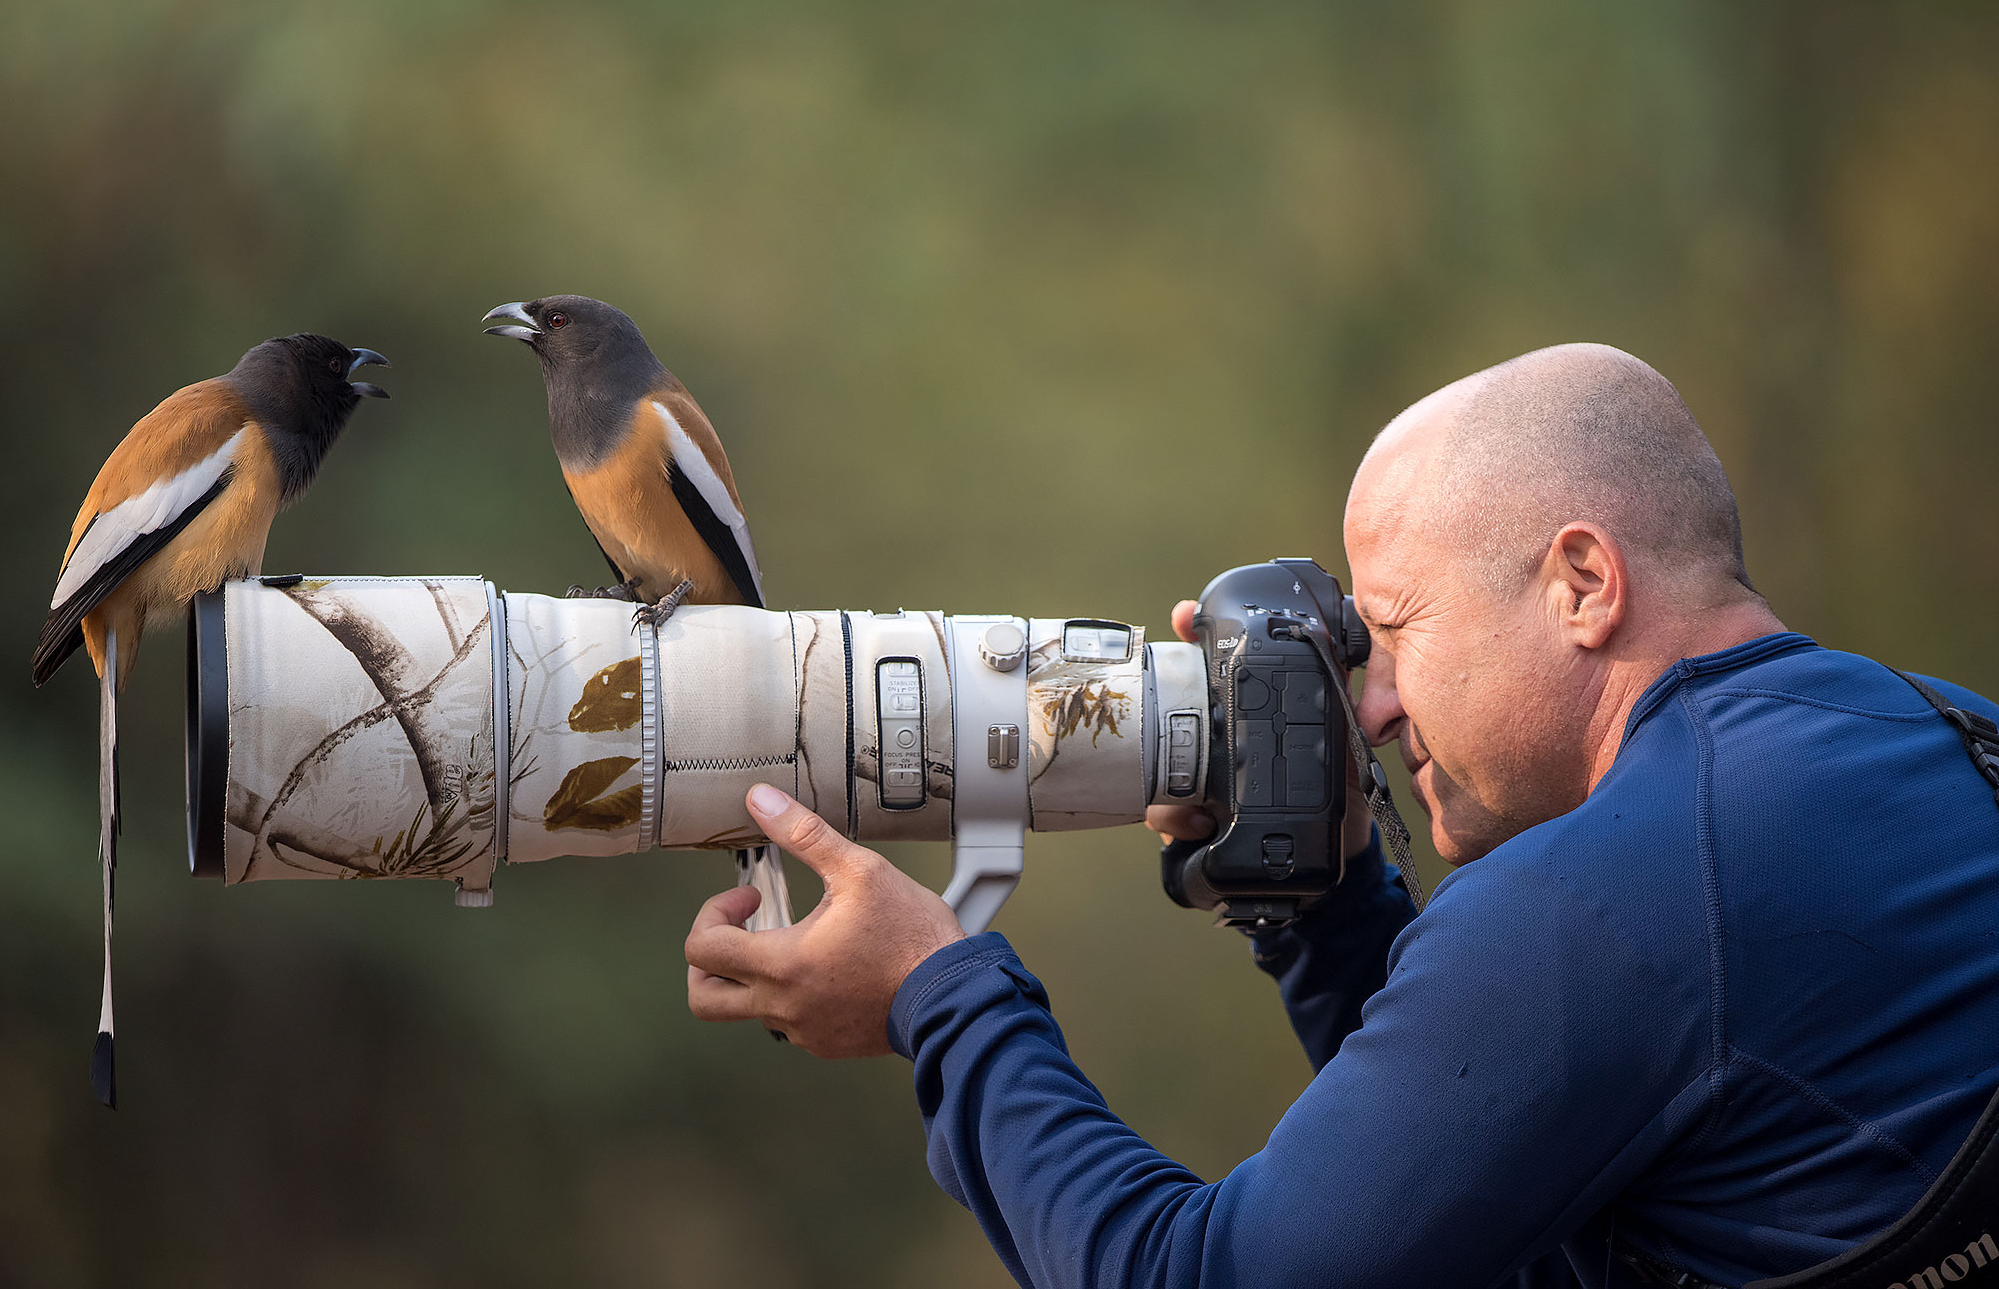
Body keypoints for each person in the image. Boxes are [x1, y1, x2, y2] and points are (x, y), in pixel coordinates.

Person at [682, 343, 1999, 1287]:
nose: (1369, 709)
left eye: (1396, 631)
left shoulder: (1612, 901)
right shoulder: (1941, 735)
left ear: (1583, 582)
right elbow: (1491, 1217)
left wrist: (939, 999)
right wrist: (1326, 910)